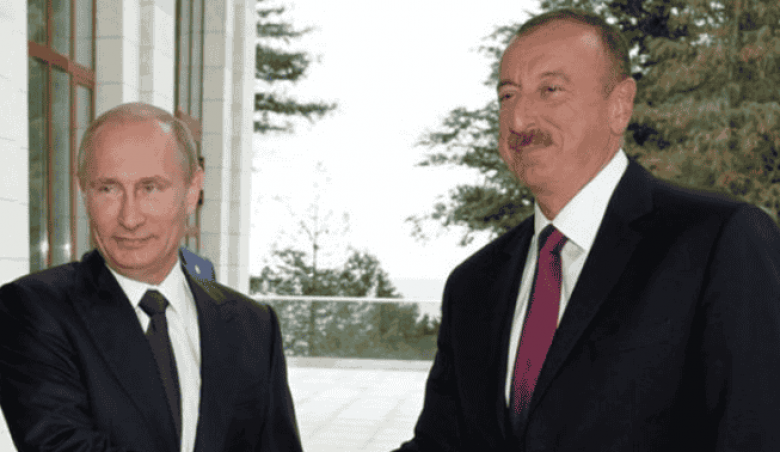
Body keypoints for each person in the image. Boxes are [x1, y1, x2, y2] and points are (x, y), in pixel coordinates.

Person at [395, 8, 780, 452]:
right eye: (507, 95)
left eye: (550, 90)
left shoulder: (720, 242)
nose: (518, 121)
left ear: (619, 105)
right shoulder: (473, 284)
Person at [0, 102, 303, 452]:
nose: (130, 218)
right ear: (84, 192)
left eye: (150, 188)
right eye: (108, 189)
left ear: (192, 190)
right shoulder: (33, 311)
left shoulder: (254, 326)